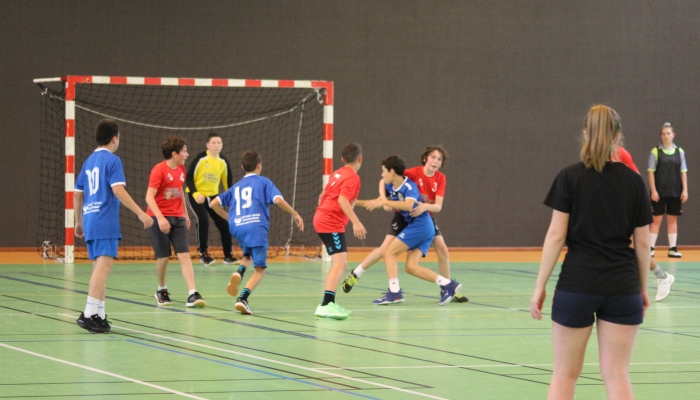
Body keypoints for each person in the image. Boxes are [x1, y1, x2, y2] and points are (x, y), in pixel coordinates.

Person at [530, 105, 651, 399]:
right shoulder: (635, 182)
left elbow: (556, 234)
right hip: (623, 287)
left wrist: (540, 286)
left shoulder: (569, 177)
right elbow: (643, 243)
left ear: (585, 134)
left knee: (564, 374)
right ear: (618, 137)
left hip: (577, 286)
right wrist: (642, 287)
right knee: (617, 374)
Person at [341, 146, 468, 305]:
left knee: (441, 249)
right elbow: (388, 179)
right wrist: (383, 201)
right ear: (425, 159)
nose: (435, 161)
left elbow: (437, 206)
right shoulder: (411, 173)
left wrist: (422, 206)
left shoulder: (440, 178)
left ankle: (447, 288)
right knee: (386, 251)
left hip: (422, 216)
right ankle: (355, 275)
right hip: (404, 217)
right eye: (433, 157)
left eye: (439, 159)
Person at [74, 119, 153, 333]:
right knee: (104, 266)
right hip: (104, 219)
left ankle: (99, 314)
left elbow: (78, 192)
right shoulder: (113, 160)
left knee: (100, 267)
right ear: (114, 138)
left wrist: (78, 221)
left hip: (90, 218)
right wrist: (140, 213)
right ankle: (88, 313)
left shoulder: (89, 160)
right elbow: (118, 191)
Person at [210, 150, 304, 315]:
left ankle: (239, 272)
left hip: (238, 227)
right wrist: (295, 214)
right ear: (259, 165)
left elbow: (214, 203)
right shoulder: (264, 182)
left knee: (248, 255)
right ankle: (243, 298)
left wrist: (229, 218)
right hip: (256, 226)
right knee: (260, 268)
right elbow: (278, 200)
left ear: (242, 167)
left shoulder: (236, 186)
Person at [146, 136, 206, 308]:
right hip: (159, 217)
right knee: (164, 257)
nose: (187, 154)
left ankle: (192, 293)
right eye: (184, 151)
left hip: (178, 216)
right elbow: (149, 197)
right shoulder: (159, 170)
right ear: (174, 153)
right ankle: (161, 290)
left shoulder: (181, 169)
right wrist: (160, 217)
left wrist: (185, 214)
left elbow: (180, 190)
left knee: (185, 255)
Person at [313, 142, 367, 320]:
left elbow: (323, 195)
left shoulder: (337, 173)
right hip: (330, 222)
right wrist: (356, 222)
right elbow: (343, 200)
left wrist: (322, 213)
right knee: (340, 264)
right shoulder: (352, 177)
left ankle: (329, 302)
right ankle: (326, 305)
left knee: (341, 262)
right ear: (360, 159)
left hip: (325, 218)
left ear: (343, 159)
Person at [615, 145, 675, 301]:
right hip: (612, 206)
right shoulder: (596, 154)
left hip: (628, 205)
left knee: (635, 246)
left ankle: (662, 277)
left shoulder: (620, 153)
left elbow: (637, 184)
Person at [186, 132, 237, 266]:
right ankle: (203, 253)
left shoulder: (223, 162)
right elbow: (189, 177)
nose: (216, 145)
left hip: (213, 197)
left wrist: (231, 202)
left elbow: (228, 184)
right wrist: (196, 194)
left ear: (222, 145)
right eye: (213, 143)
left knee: (225, 222)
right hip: (196, 195)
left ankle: (228, 255)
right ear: (208, 145)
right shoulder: (200, 159)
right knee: (203, 219)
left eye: (219, 143)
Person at [648, 122, 689, 258]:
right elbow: (651, 172)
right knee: (656, 220)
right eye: (664, 134)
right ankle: (650, 248)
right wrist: (653, 191)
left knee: (672, 220)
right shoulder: (655, 152)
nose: (666, 136)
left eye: (668, 133)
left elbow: (683, 172)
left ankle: (672, 248)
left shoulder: (680, 152)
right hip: (659, 193)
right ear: (661, 136)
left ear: (673, 135)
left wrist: (685, 190)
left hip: (675, 192)